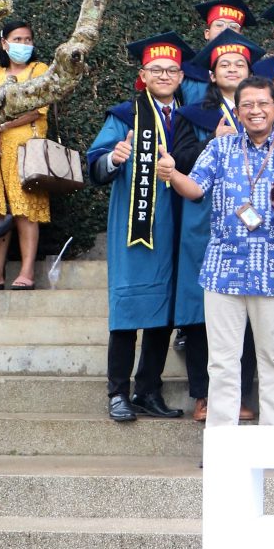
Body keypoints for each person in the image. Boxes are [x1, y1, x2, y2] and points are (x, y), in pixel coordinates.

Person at [156, 76, 274, 429]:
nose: (255, 111)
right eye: (247, 105)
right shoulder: (220, 148)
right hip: (224, 270)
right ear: (236, 111)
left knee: (273, 358)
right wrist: (173, 174)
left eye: (263, 104)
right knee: (222, 361)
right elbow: (194, 189)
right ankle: (222, 442)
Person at [86, 33, 201, 422]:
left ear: (182, 76)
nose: (164, 75)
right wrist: (115, 158)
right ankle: (118, 391)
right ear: (143, 75)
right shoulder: (124, 117)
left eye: (171, 70)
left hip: (178, 225)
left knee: (165, 310)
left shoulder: (191, 118)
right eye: (157, 70)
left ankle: (148, 389)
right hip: (137, 227)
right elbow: (96, 165)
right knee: (128, 306)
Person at [0, 18, 53, 292]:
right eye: (18, 39)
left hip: (26, 150)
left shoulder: (40, 69)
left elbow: (37, 108)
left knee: (25, 210)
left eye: (28, 40)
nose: (24, 44)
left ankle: (27, 272)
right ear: (4, 42)